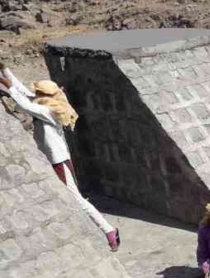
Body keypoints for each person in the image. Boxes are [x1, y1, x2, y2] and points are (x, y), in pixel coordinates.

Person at [0, 65, 120, 251]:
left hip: (58, 161)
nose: (35, 93)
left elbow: (24, 104)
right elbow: (23, 91)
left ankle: (109, 230)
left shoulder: (48, 112)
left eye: (38, 92)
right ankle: (107, 230)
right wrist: (5, 70)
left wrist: (4, 83)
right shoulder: (46, 103)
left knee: (77, 199)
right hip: (54, 159)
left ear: (45, 96)